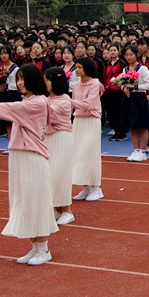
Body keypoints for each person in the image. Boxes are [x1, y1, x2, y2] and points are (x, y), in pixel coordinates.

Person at [0, 64, 58, 265]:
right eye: (18, 79)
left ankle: (43, 248)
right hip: (21, 156)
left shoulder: (36, 103)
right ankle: (35, 246)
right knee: (24, 199)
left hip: (32, 157)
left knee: (35, 200)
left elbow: (7, 109)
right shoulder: (28, 100)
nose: (19, 83)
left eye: (22, 79)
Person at [70, 57, 105, 201]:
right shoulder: (76, 85)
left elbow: (88, 104)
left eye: (79, 67)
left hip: (91, 120)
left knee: (90, 152)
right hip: (79, 120)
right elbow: (77, 104)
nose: (77, 70)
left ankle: (96, 187)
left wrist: (69, 102)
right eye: (76, 67)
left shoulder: (95, 84)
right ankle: (86, 187)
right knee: (78, 153)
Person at [44, 67, 75, 224]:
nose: (44, 83)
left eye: (47, 79)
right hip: (49, 139)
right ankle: (57, 209)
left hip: (61, 138)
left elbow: (47, 114)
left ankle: (67, 210)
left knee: (60, 173)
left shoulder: (64, 100)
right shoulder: (48, 99)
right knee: (50, 174)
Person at [123, 46, 149, 162]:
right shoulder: (125, 69)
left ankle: (142, 150)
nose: (129, 57)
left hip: (140, 98)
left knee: (142, 125)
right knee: (133, 126)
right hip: (130, 98)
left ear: (136, 55)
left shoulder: (142, 69)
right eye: (127, 55)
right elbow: (122, 83)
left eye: (131, 54)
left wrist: (135, 86)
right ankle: (135, 149)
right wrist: (124, 88)